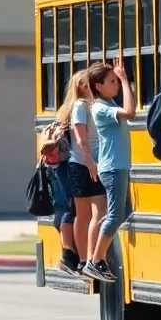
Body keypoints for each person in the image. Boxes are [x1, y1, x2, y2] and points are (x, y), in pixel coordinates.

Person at [83, 60, 136, 282]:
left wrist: (121, 80)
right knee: (115, 215)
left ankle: (97, 259)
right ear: (98, 86)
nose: (116, 85)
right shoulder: (100, 108)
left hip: (118, 165)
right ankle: (95, 261)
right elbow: (130, 112)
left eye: (116, 81)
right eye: (111, 82)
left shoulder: (109, 102)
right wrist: (125, 80)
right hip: (113, 167)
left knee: (120, 214)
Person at [45, 70, 87, 276]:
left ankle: (68, 253)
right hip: (67, 164)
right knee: (72, 206)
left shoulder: (65, 108)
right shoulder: (77, 109)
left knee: (66, 207)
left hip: (58, 166)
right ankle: (68, 254)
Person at [67, 70, 107, 277]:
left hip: (94, 163)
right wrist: (91, 163)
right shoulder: (81, 106)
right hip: (83, 164)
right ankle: (86, 259)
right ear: (83, 86)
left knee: (95, 213)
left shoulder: (95, 105)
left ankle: (90, 258)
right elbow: (81, 138)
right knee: (88, 214)